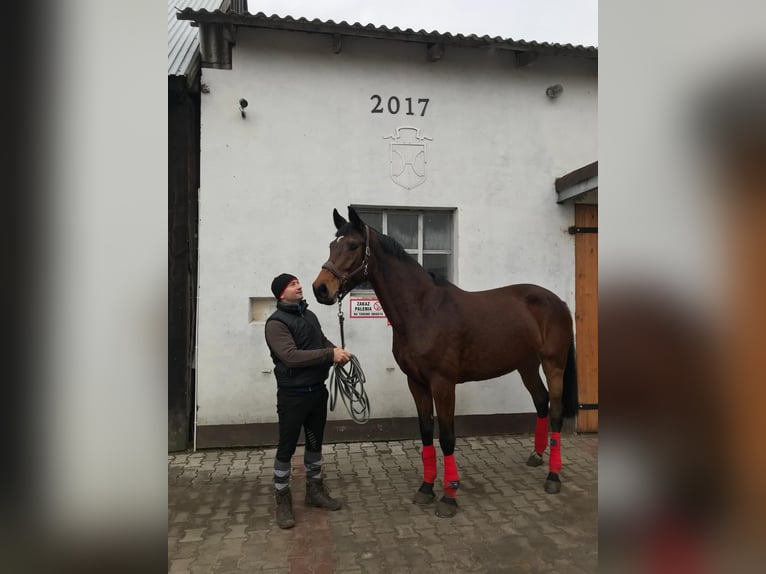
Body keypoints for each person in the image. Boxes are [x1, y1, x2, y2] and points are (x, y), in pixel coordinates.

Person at [264, 273, 352, 529]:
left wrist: (337, 351)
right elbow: (290, 356)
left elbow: (321, 341)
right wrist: (328, 354)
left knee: (315, 443)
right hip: (293, 396)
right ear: (281, 293)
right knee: (287, 447)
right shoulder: (276, 324)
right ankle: (282, 498)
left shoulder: (309, 315)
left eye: (298, 282)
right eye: (293, 284)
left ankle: (314, 491)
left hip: (317, 393)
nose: (299, 286)